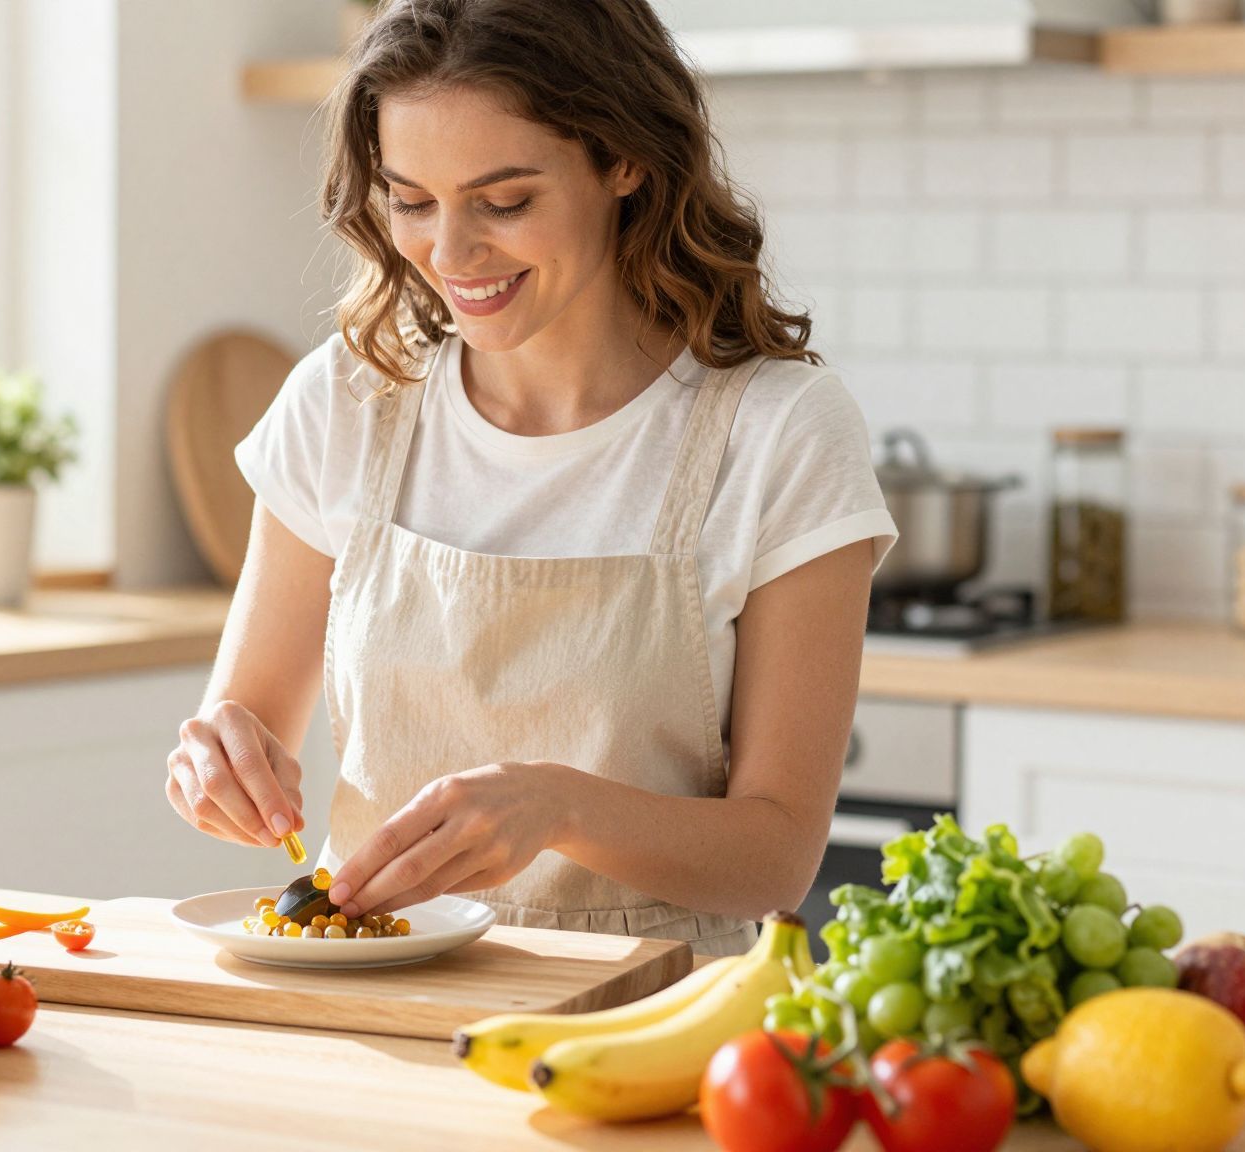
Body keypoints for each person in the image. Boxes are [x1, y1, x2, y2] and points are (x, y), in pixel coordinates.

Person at [164, 0, 896, 955]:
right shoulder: (347, 401)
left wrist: (555, 807)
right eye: (412, 201)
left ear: (624, 159)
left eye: (504, 202)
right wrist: (215, 761)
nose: (451, 255)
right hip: (373, 1004)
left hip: (655, 1020)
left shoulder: (777, 431)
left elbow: (777, 855)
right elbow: (244, 721)